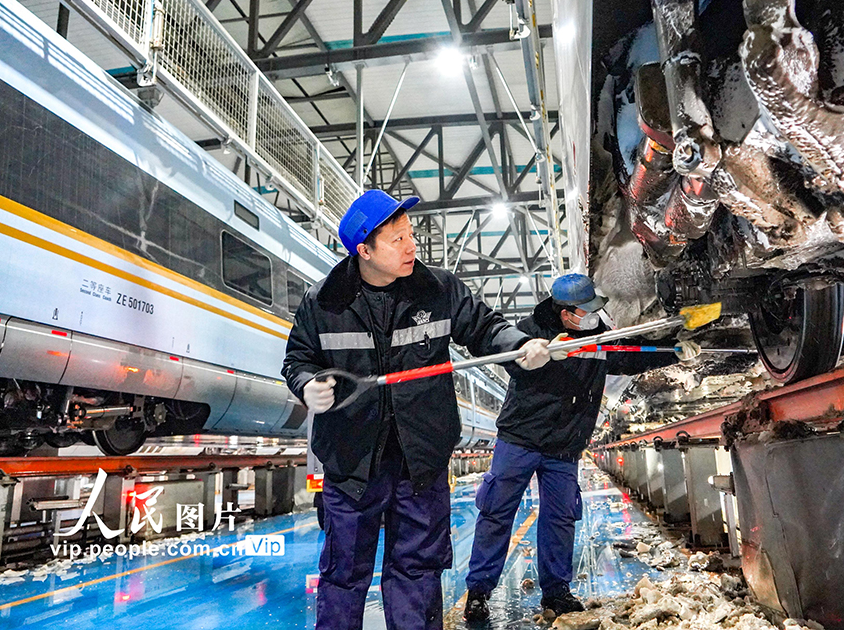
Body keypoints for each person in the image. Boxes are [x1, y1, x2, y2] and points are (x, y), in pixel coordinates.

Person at [282, 189, 551, 630]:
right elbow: (297, 359)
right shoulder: (324, 303)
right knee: (343, 575)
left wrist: (519, 346)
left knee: (418, 571)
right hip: (351, 463)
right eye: (397, 239)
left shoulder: (438, 290)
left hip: (420, 463)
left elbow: (484, 328)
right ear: (364, 250)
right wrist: (307, 384)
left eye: (411, 235)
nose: (411, 247)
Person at [463, 273, 681, 622]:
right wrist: (539, 354)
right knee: (496, 513)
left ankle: (556, 592)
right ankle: (478, 591)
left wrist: (673, 351)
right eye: (586, 310)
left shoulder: (597, 336)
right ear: (566, 313)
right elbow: (510, 360)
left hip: (564, 447)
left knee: (560, 519)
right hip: (520, 440)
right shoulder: (530, 330)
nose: (593, 316)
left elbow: (630, 357)